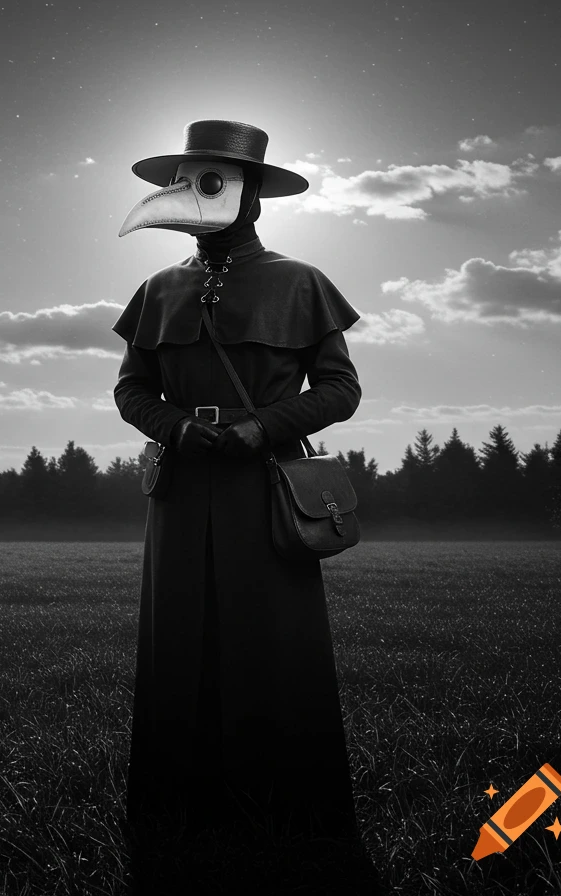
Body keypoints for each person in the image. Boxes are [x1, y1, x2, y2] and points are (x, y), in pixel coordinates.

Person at [112, 120, 380, 891]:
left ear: (253, 194)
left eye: (213, 181)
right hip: (179, 488)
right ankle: (176, 805)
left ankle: (287, 805)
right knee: (178, 640)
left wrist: (264, 427)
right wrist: (174, 428)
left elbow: (341, 388)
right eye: (187, 180)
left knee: (273, 643)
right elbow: (132, 389)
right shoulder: (157, 290)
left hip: (266, 486)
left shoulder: (301, 283)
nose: (195, 195)